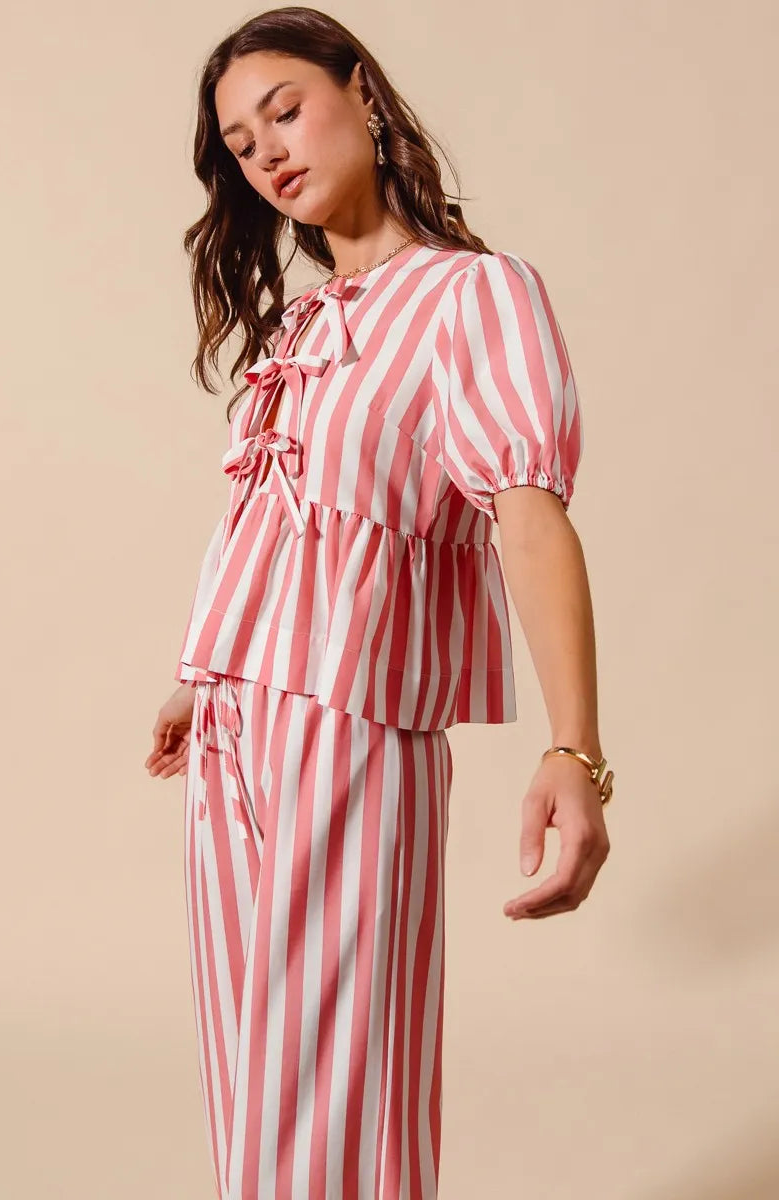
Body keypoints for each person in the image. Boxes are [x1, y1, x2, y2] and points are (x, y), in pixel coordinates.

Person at [144, 7, 613, 1198]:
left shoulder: (473, 294)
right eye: (244, 147)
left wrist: (574, 749)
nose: (269, 154)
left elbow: (523, 511)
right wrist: (204, 675)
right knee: (251, 1086)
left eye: (285, 110)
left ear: (360, 91)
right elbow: (281, 527)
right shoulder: (301, 324)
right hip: (238, 733)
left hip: (351, 726)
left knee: (337, 1095)